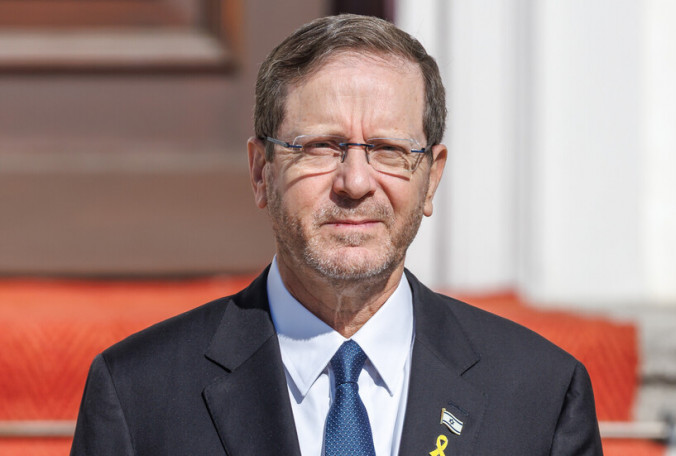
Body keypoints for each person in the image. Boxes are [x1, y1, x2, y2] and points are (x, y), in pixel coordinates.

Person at [70, 14, 603, 456]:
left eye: (389, 150)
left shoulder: (541, 394)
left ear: (431, 178)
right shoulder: (138, 394)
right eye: (321, 146)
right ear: (260, 172)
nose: (355, 182)